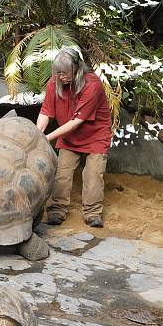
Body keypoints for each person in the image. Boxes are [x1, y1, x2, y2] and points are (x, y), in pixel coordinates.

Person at [37, 47, 113, 228]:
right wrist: (36, 133)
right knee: (61, 173)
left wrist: (46, 138)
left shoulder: (92, 85)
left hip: (95, 135)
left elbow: (76, 122)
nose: (60, 77)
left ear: (77, 69)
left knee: (93, 174)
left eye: (64, 73)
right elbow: (46, 112)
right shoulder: (55, 82)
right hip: (69, 136)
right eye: (58, 72)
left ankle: (92, 213)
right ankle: (57, 210)